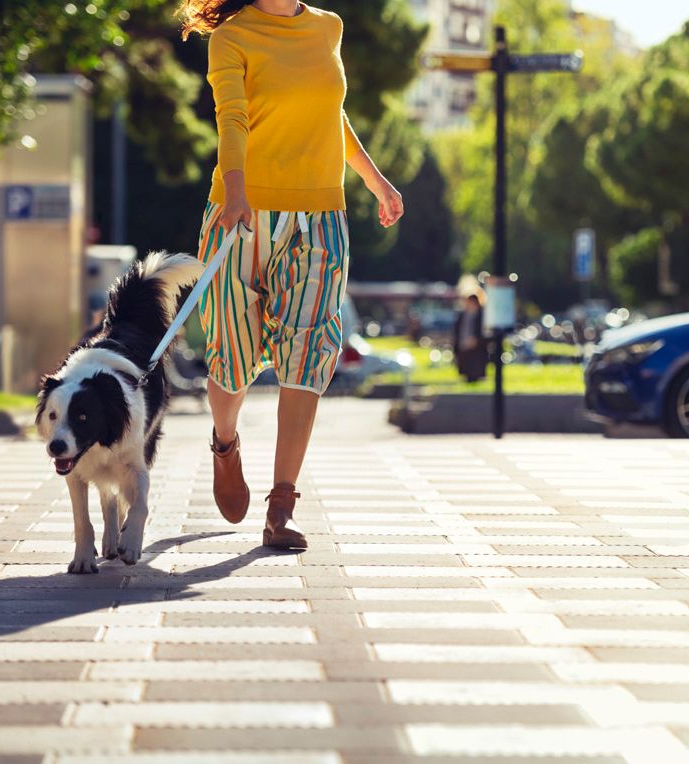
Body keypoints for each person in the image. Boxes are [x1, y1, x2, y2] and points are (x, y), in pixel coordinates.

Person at [179, 0, 404, 549]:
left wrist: (376, 181)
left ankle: (281, 505)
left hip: (323, 218)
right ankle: (225, 444)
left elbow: (330, 114)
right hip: (242, 213)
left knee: (307, 353)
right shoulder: (231, 37)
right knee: (232, 357)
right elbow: (232, 118)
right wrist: (235, 191)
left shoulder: (329, 28)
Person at [452, 293, 487, 383]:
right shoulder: (462, 315)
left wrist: (477, 340)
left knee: (475, 366)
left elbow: (484, 332)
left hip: (476, 347)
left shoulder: (482, 315)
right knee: (465, 365)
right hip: (463, 344)